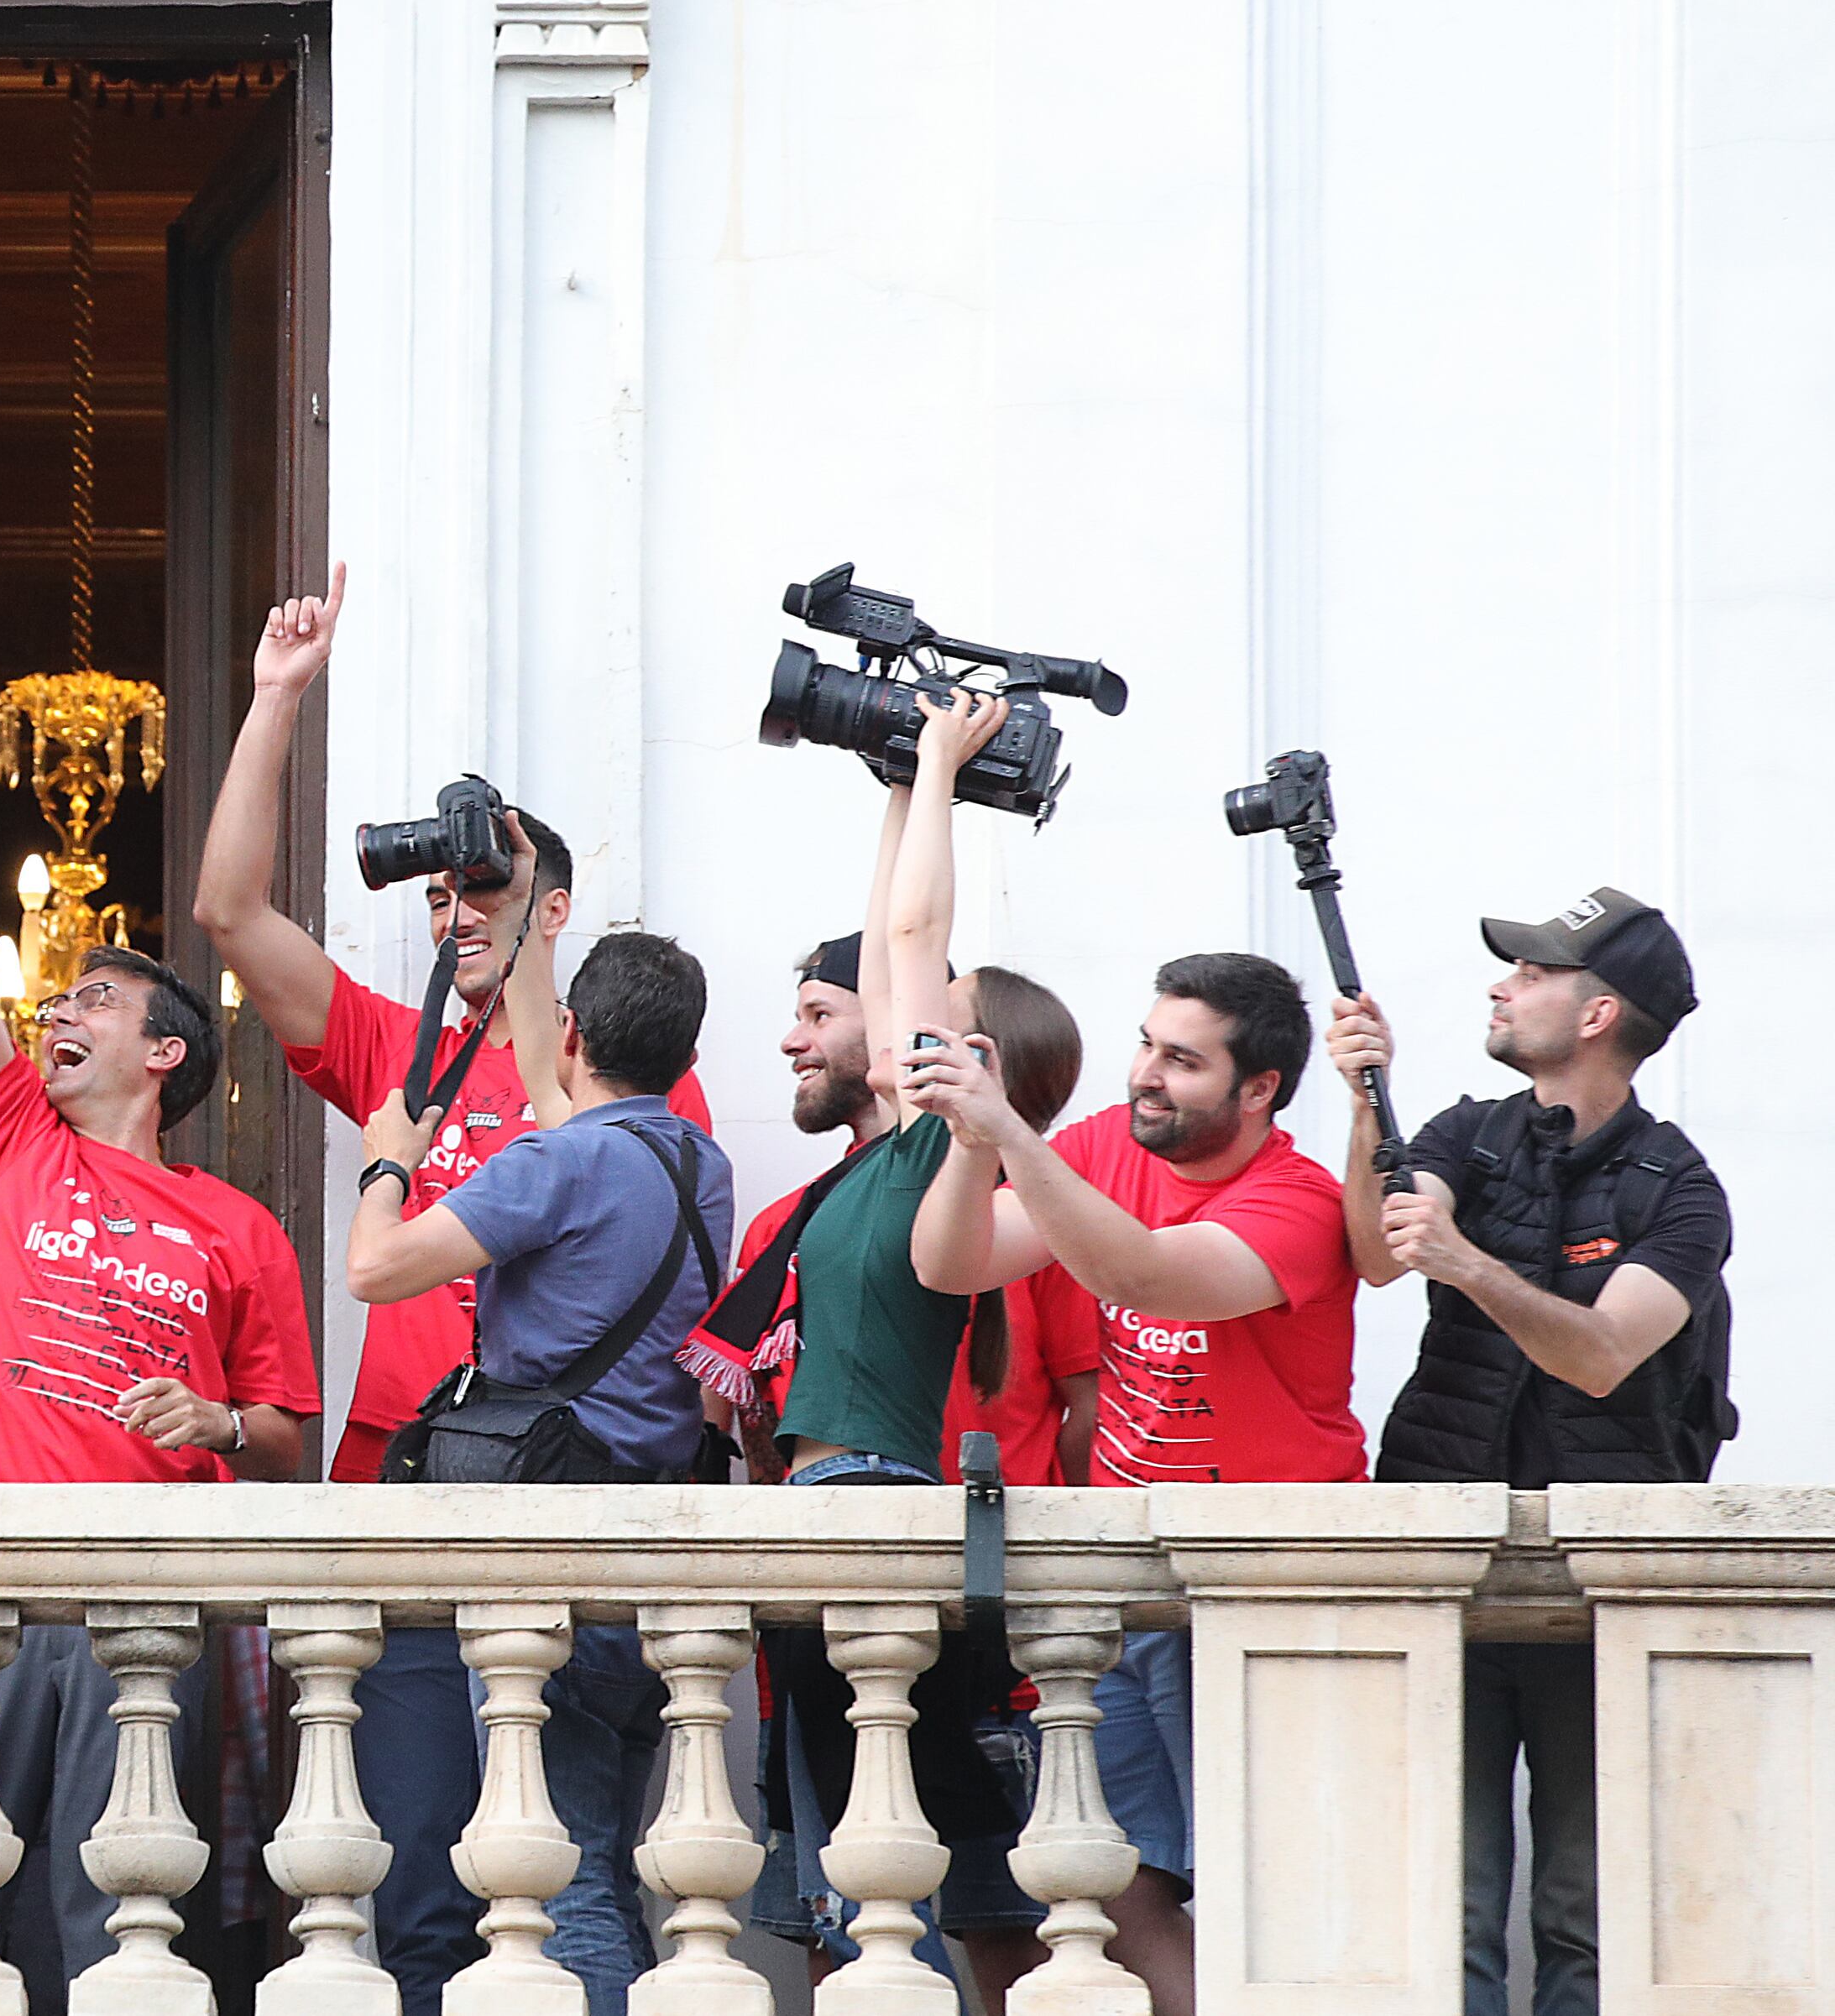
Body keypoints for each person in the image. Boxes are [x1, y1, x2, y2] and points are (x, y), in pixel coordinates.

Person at [186, 572, 713, 2008]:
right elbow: (228, 909)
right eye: (442, 891)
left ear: (547, 902)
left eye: (482, 886)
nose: (454, 909)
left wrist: (524, 920)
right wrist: (278, 696)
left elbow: (564, 1132)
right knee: (415, 1880)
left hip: (555, 1508)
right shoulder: (394, 1047)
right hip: (407, 1485)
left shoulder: (614, 1084)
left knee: (553, 1871)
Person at [0, 638, 315, 2010]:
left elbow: (293, 1442)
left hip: (142, 1608)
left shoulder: (238, 1229)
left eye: (91, 1003)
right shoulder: (9, 1137)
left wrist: (219, 1419)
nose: (54, 1014)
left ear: (165, 1050)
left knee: (112, 1928)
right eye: (56, 1001)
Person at [691, 698, 1080, 1995]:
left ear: (977, 1058)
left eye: (939, 1014)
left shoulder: (939, 1164)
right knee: (896, 1901)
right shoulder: (895, 1167)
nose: (902, 1015)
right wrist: (895, 792)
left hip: (860, 1509)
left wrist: (934, 773)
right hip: (850, 1501)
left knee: (889, 1902)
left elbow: (910, 936)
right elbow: (891, 948)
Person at [907, 944, 1357, 2016]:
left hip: (1257, 1587)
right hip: (1123, 1584)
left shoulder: (1295, 1201)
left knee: (1265, 1884)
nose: (1145, 1073)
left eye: (1181, 1061)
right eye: (1146, 1045)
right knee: (1115, 1888)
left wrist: (1012, 1130)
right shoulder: (1105, 1144)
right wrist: (977, 1143)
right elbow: (946, 1263)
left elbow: (1140, 1274)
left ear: (1256, 1090)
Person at [1328, 888, 1728, 2016]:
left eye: (1535, 973)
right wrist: (1368, 1109)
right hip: (1441, 1565)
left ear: (1601, 1013)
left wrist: (1472, 1267)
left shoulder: (1681, 1191)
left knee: (1585, 1913)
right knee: (1442, 1913)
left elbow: (1603, 1354)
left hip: (1596, 1587)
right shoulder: (1466, 1132)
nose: (1503, 987)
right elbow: (1376, 1250)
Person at [345, 920, 731, 2015]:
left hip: (548, 1558)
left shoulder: (557, 1161)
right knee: (603, 1863)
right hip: (650, 1562)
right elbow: (558, 1093)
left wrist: (390, 1161)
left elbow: (376, 1268)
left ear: (571, 1034)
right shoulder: (695, 1162)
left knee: (561, 1890)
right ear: (685, 1059)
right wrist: (529, 916)